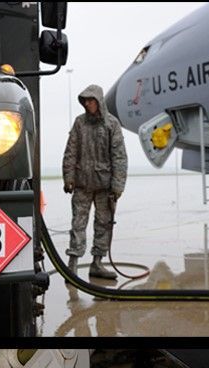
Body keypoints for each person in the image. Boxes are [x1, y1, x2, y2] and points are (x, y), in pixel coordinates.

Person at [62, 84, 128, 280]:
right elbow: (70, 152)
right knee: (78, 225)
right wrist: (69, 178)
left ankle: (97, 263)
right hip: (82, 185)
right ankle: (72, 264)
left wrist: (117, 186)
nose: (88, 103)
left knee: (103, 224)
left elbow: (119, 157)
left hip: (104, 187)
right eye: (86, 101)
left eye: (91, 100)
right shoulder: (79, 123)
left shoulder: (111, 124)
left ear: (99, 101)